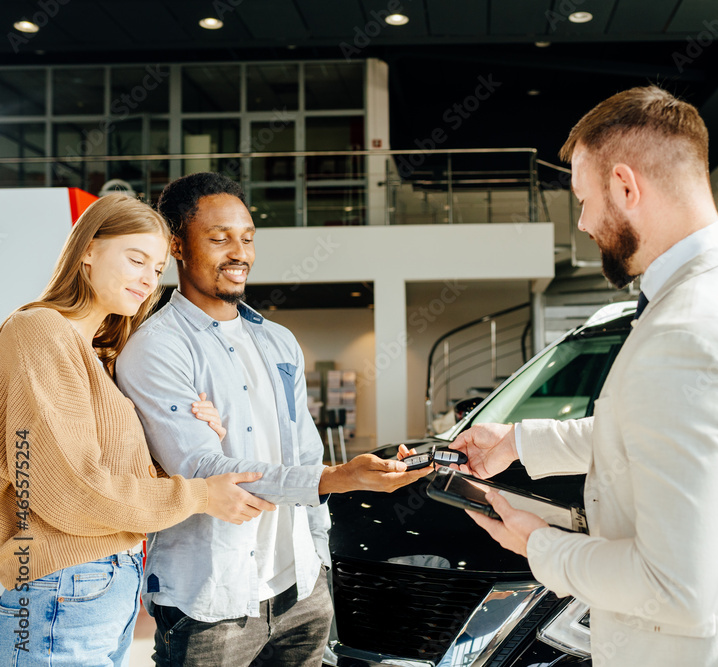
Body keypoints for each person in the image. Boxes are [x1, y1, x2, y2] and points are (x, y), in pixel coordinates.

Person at [450, 86, 718, 667]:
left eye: (584, 200)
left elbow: (675, 589)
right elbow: (670, 430)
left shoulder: (685, 332)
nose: (585, 224)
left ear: (625, 186)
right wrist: (518, 441)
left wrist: (538, 545)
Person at [116, 172, 429, 667]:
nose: (238, 253)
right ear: (177, 244)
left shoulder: (277, 340)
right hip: (211, 600)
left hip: (300, 589)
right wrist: (339, 479)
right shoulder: (157, 348)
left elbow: (304, 451)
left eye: (246, 238)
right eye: (219, 239)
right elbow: (206, 472)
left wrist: (318, 561)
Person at [0, 194, 275, 667]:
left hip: (101, 581)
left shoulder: (94, 355)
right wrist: (199, 495)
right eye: (136, 259)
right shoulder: (40, 331)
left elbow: (99, 474)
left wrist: (187, 435)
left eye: (158, 267)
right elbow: (68, 490)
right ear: (87, 250)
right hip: (61, 583)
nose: (150, 278)